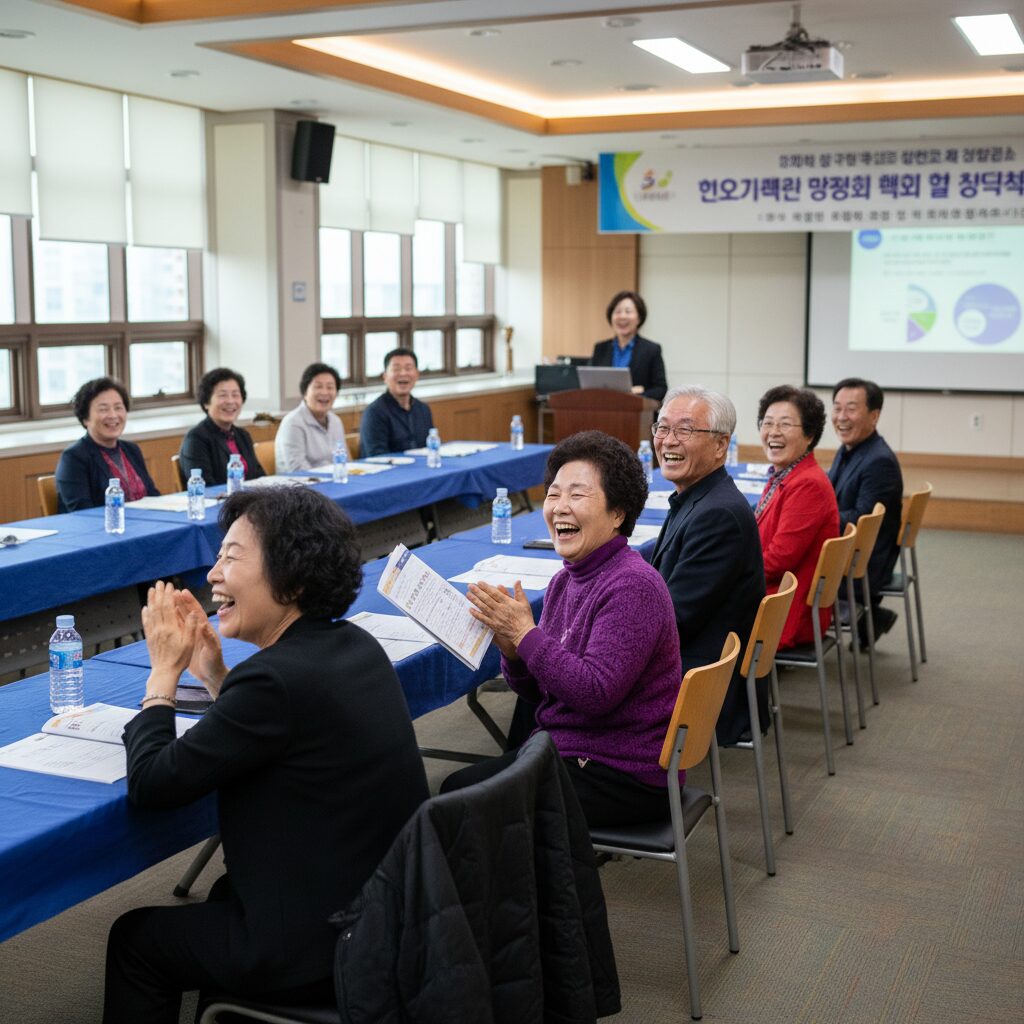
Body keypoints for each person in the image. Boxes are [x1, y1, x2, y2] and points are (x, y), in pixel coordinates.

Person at [103, 487, 428, 1024]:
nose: (213, 574)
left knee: (135, 940)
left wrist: (162, 676)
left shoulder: (274, 680)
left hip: (320, 946)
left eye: (232, 557)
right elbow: (279, 729)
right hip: (382, 915)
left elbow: (155, 785)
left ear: (293, 579)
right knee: (217, 899)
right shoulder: (353, 644)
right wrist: (214, 676)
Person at [441, 431, 682, 827]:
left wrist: (526, 635)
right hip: (570, 750)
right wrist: (515, 654)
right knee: (458, 790)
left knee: (459, 802)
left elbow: (594, 693)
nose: (560, 508)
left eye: (578, 495)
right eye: (553, 495)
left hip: (622, 772)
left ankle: (514, 890)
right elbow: (541, 693)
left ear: (618, 513)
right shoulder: (565, 581)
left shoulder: (633, 585)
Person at [649, 386, 766, 745]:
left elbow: (675, 620)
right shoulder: (700, 496)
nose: (668, 440)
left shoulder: (718, 515)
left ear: (720, 445)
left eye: (684, 430)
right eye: (662, 428)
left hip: (699, 682)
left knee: (565, 675)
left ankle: (533, 778)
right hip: (691, 658)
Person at [755, 385, 839, 650]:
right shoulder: (786, 474)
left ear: (809, 434)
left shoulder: (807, 484)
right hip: (776, 597)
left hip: (785, 610)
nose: (774, 432)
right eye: (767, 423)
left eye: (785, 424)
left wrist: (730, 576)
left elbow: (779, 559)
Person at [828, 377, 904, 640]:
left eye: (851, 408)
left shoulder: (878, 462)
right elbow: (828, 495)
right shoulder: (850, 448)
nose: (841, 417)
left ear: (874, 416)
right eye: (837, 408)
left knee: (782, 569)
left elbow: (860, 519)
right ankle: (872, 619)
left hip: (864, 565)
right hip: (854, 554)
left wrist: (816, 519)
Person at [55, 376, 160, 512]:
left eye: (118, 407)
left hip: (142, 527)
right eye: (103, 409)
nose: (113, 415)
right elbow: (82, 512)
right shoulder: (74, 458)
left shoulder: (132, 450)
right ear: (86, 418)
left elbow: (153, 497)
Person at [178, 367, 266, 486]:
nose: (230, 401)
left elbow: (259, 477)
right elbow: (206, 487)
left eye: (235, 395)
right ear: (206, 402)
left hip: (249, 501)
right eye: (222, 395)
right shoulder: (196, 439)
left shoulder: (243, 435)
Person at [589, 290, 667, 401]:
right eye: (617, 311)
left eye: (628, 311)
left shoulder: (651, 350)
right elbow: (591, 383)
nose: (622, 316)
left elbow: (660, 389)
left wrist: (633, 396)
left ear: (639, 318)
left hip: (637, 414)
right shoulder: (600, 348)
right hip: (603, 410)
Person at [358, 348, 434, 457]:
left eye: (408, 368)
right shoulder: (374, 412)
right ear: (385, 377)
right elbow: (377, 457)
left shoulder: (423, 409)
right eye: (396, 369)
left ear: (417, 374)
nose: (403, 373)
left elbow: (429, 448)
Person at [275, 362, 347, 472]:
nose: (324, 392)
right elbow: (298, 469)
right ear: (305, 392)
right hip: (300, 486)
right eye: (318, 387)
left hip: (332, 483)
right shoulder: (293, 423)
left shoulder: (336, 421)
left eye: (330, 387)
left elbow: (343, 460)